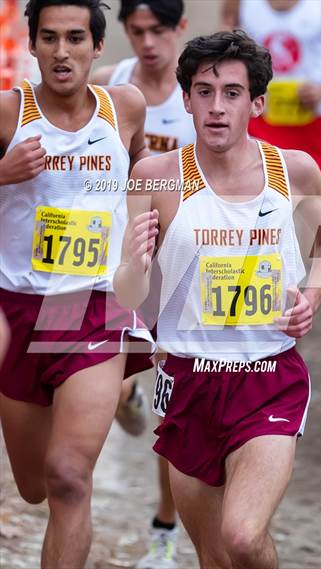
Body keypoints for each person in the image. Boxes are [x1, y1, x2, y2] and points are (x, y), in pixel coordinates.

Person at [114, 29, 321, 569]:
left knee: (242, 536)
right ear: (186, 99)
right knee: (215, 557)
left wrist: (311, 297)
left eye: (233, 93)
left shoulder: (294, 171)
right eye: (204, 91)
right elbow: (129, 297)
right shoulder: (154, 177)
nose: (217, 107)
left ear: (257, 102)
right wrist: (130, 262)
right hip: (188, 382)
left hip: (269, 379)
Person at [0, 1, 154, 567]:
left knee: (68, 479)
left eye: (74, 38)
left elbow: (144, 175)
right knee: (34, 485)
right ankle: (120, 394)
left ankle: (110, 383)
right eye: (49, 38)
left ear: (97, 47)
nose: (62, 52)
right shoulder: (8, 114)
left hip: (93, 303)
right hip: (18, 309)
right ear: (33, 45)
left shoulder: (125, 108)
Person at [92, 2, 196, 567]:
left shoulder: (201, 91)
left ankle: (163, 528)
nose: (148, 42)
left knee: (170, 397)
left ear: (180, 28)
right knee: (98, 375)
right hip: (114, 254)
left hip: (179, 262)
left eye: (159, 30)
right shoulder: (112, 85)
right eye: (137, 31)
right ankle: (124, 391)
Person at [221, 0, 321, 196]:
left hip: (315, 124)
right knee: (262, 206)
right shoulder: (239, 4)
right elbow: (224, 58)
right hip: (261, 123)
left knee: (320, 212)